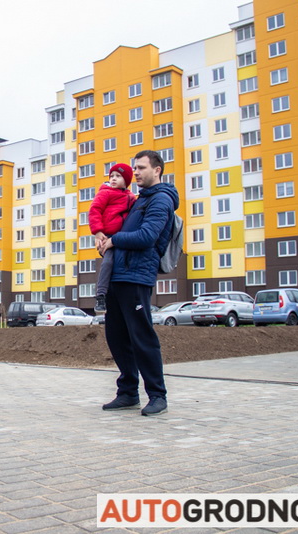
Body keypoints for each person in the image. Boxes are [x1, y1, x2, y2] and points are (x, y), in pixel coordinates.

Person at [98, 150, 178, 417]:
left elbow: (146, 236)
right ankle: (128, 391)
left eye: (142, 168)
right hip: (118, 276)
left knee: (142, 337)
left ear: (157, 170)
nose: (137, 172)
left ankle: (157, 395)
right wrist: (104, 238)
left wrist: (114, 240)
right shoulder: (138, 200)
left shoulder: (161, 200)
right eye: (135, 167)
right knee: (117, 337)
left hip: (136, 276)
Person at [89, 163, 136, 313]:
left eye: (118, 176)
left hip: (123, 237)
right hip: (107, 235)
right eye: (111, 176)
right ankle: (101, 294)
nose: (113, 179)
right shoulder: (105, 193)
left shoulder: (130, 197)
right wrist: (97, 231)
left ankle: (125, 296)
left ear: (127, 180)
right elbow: (94, 210)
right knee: (108, 262)